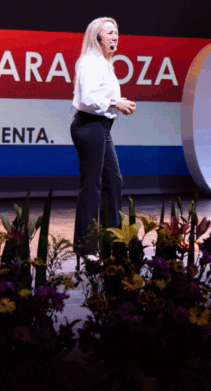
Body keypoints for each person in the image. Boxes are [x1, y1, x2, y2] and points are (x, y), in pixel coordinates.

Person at [71, 17, 136, 257]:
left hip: (102, 128)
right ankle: (86, 248)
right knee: (92, 186)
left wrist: (119, 105)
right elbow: (88, 99)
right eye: (109, 32)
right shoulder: (89, 62)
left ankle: (113, 242)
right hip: (89, 127)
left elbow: (102, 99)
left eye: (116, 32)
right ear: (97, 37)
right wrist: (114, 102)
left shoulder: (104, 63)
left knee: (114, 181)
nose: (115, 36)